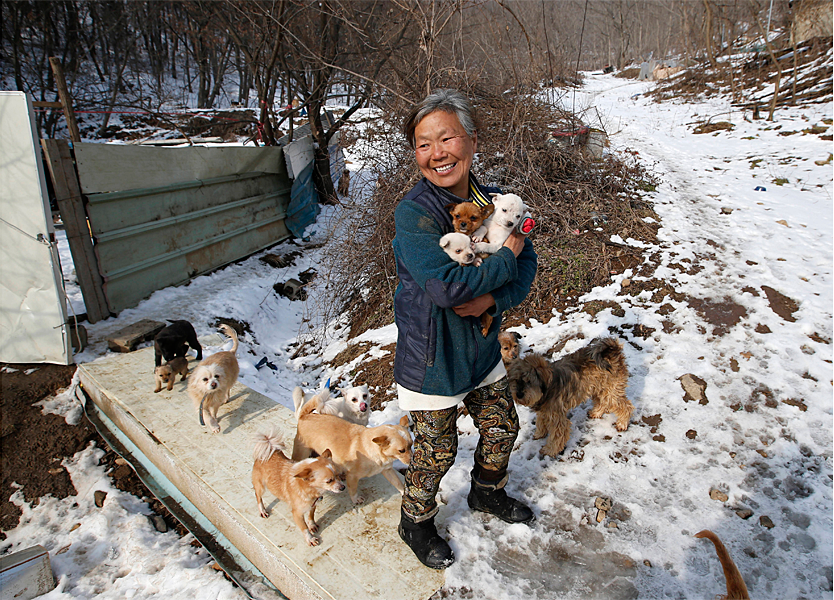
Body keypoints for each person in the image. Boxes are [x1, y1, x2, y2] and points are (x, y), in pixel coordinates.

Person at [392, 89, 538, 569]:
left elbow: (528, 265)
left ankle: (486, 494)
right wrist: (506, 257)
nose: (436, 153)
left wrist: (492, 296)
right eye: (423, 144)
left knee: (502, 427)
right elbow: (447, 289)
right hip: (432, 356)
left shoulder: (495, 201)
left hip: (480, 346)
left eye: (446, 138)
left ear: (471, 141)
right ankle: (414, 522)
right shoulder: (413, 214)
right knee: (436, 452)